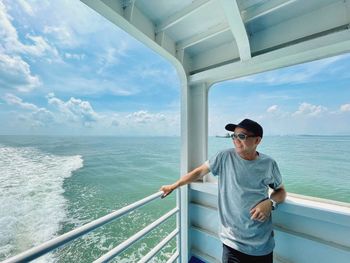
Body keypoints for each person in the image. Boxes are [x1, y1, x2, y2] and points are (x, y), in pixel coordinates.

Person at [160, 118, 286, 263]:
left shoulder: (268, 164)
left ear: (257, 140)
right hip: (232, 241)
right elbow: (199, 172)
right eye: (234, 136)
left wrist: (269, 203)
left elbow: (280, 191)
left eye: (242, 136)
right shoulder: (224, 157)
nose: (236, 140)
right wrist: (174, 185)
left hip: (262, 244)